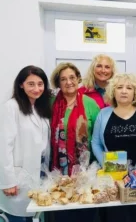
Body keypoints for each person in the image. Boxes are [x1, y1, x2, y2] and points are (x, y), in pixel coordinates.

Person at [0, 66, 52, 222]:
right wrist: (8, 181)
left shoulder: (41, 109)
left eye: (40, 84)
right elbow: (3, 147)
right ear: (21, 85)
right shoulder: (11, 107)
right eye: (31, 84)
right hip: (17, 177)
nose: (36, 88)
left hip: (38, 172)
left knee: (32, 216)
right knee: (18, 217)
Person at [92, 73, 136, 222]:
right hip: (114, 178)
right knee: (116, 216)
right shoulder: (103, 114)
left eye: (129, 88)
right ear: (113, 91)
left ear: (135, 92)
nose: (124, 91)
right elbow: (96, 143)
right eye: (119, 87)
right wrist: (105, 164)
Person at [49, 62, 100, 222]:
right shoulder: (51, 104)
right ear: (58, 83)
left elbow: (98, 136)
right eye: (63, 79)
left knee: (86, 215)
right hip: (59, 175)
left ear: (78, 79)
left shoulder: (90, 104)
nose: (68, 82)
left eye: (72, 77)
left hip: (85, 173)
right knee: (62, 214)